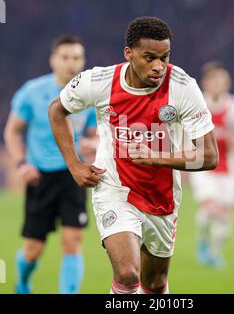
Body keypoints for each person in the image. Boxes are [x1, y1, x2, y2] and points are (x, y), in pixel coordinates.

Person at [48, 16, 218, 294]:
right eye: (149, 57)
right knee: (128, 274)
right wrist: (74, 164)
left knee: (155, 284)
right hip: (115, 188)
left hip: (162, 197)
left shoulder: (183, 86)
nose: (158, 66)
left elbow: (209, 156)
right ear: (129, 53)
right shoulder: (99, 80)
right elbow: (57, 110)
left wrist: (155, 157)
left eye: (164, 57)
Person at [4, 36, 97, 294]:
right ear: (53, 61)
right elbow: (12, 131)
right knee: (33, 250)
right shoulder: (32, 92)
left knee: (73, 241)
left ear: (83, 61)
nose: (71, 63)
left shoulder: (89, 96)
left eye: (77, 57)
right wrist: (21, 163)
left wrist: (93, 143)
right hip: (40, 177)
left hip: (74, 174)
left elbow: (95, 133)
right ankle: (22, 282)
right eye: (65, 57)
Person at [189, 61, 234, 268]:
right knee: (209, 207)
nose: (219, 83)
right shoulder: (196, 103)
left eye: (222, 79)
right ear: (206, 82)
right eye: (215, 79)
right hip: (202, 164)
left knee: (224, 215)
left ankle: (215, 254)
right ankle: (202, 243)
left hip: (228, 166)